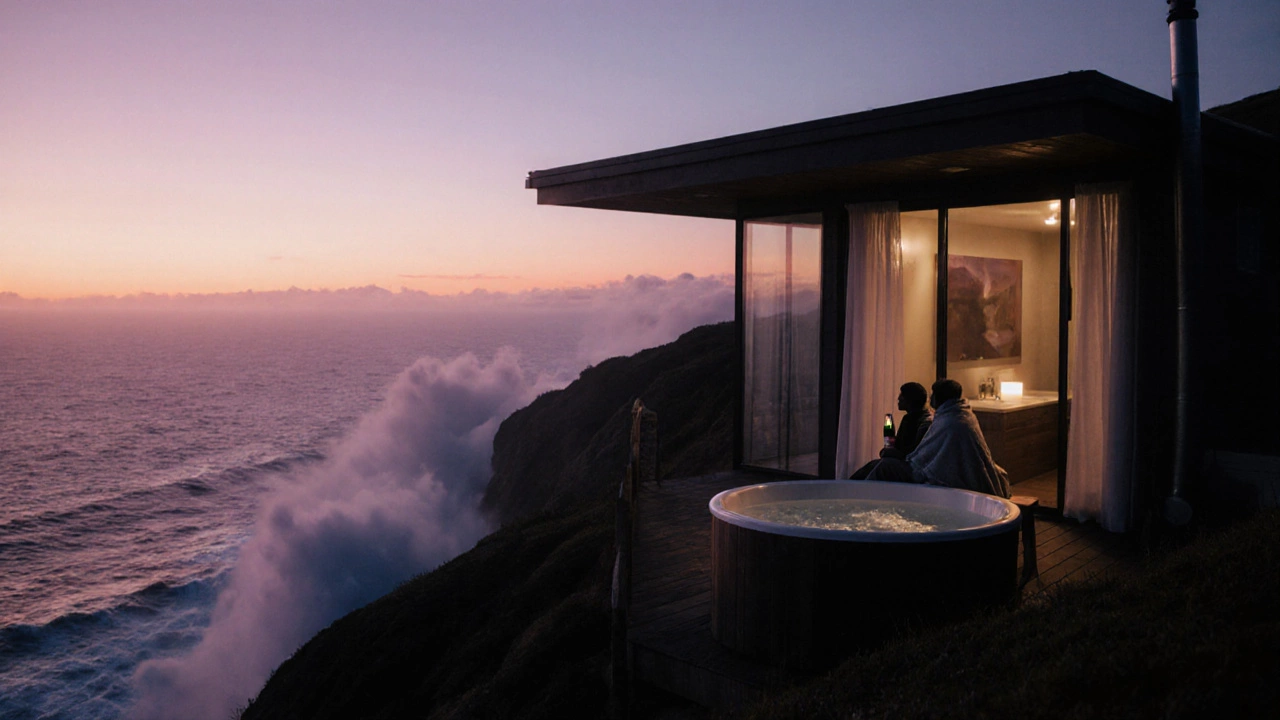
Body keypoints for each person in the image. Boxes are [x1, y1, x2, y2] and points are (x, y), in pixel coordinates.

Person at [864, 378, 1011, 498]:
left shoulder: (950, 422)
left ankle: (861, 499)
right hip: (936, 466)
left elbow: (926, 458)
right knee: (877, 464)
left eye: (933, 393)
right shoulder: (961, 415)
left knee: (884, 466)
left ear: (939, 397)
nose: (930, 397)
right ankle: (851, 488)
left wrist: (903, 458)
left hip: (945, 476)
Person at [849, 382, 933, 479]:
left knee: (882, 466)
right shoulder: (908, 418)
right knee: (869, 467)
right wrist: (889, 439)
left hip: (912, 467)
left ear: (910, 399)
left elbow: (914, 453)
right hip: (902, 461)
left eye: (902, 395)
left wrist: (893, 453)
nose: (898, 399)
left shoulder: (924, 422)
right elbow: (898, 445)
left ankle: (863, 492)